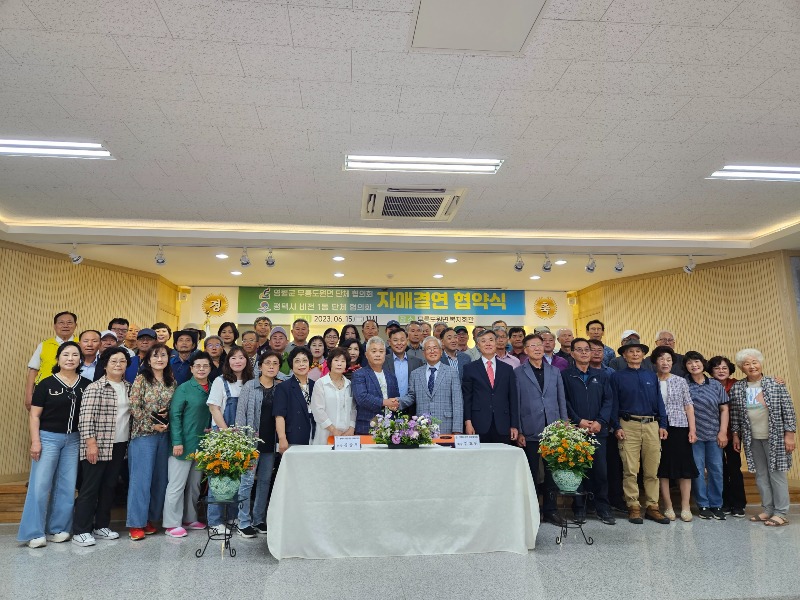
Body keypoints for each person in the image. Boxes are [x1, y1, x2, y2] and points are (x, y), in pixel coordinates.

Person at [18, 341, 88, 548]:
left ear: (80, 359)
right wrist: (35, 442)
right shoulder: (46, 384)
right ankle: (34, 532)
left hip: (74, 440)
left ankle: (58, 528)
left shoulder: (85, 384)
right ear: (58, 359)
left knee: (66, 486)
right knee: (40, 486)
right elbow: (34, 416)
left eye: (75, 355)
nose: (70, 358)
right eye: (65, 354)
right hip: (47, 439)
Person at [72, 347, 132, 546]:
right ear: (105, 365)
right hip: (97, 445)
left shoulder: (128, 387)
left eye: (122, 361)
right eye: (113, 361)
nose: (118, 365)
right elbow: (85, 419)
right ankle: (81, 530)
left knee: (109, 486)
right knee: (90, 487)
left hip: (120, 444)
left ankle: (101, 526)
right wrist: (91, 444)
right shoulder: (95, 387)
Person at [730, 349, 796, 527]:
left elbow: (788, 410)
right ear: (741, 368)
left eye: (754, 362)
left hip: (775, 437)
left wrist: (789, 435)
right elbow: (735, 415)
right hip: (752, 438)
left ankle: (781, 512)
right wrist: (736, 435)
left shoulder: (775, 384)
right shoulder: (738, 388)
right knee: (761, 475)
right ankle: (768, 509)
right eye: (746, 364)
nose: (752, 366)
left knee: (777, 474)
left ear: (760, 363)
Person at [609, 339, 670, 525]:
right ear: (624, 355)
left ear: (643, 355)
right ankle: (633, 506)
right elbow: (613, 403)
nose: (635, 354)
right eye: (631, 351)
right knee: (630, 469)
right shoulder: (617, 376)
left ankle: (653, 507)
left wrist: (663, 424)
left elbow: (659, 401)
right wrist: (616, 426)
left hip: (652, 425)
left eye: (638, 351)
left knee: (652, 470)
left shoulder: (651, 375)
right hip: (628, 425)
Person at [561, 337, 615, 525]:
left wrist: (600, 421)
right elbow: (564, 401)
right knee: (578, 470)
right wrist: (578, 421)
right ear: (572, 353)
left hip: (598, 430)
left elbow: (609, 400)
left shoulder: (602, 376)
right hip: (576, 430)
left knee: (600, 471)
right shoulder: (565, 376)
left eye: (587, 349)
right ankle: (579, 508)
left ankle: (602, 507)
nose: (584, 353)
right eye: (580, 350)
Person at [126, 343, 176, 540]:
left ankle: (149, 519)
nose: (159, 359)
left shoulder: (172, 382)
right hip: (144, 435)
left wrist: (168, 417)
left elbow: (176, 407)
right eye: (155, 356)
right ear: (148, 360)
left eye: (163, 355)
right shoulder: (141, 379)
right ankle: (135, 523)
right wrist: (151, 425)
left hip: (165, 436)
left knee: (159, 480)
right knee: (141, 480)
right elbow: (134, 407)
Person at [514, 333, 565, 525]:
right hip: (530, 429)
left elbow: (561, 399)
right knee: (532, 473)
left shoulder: (555, 372)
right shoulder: (518, 372)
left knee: (552, 473)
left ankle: (551, 510)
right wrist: (519, 430)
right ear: (525, 350)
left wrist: (564, 425)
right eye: (532, 346)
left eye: (540, 345)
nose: (537, 348)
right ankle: (533, 510)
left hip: (553, 428)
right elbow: (516, 403)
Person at [205, 347, 255, 535]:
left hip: (244, 437)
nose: (237, 361)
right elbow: (214, 408)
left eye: (241, 357)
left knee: (239, 479)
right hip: (223, 435)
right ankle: (215, 521)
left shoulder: (251, 382)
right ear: (228, 361)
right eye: (233, 358)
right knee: (219, 479)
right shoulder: (221, 381)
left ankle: (234, 516)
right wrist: (227, 433)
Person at [162, 352, 212, 538]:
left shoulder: (212, 387)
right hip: (183, 443)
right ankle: (171, 523)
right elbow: (174, 416)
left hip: (202, 444)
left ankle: (190, 518)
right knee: (176, 484)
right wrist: (177, 441)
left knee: (194, 485)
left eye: (205, 366)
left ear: (210, 368)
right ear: (191, 368)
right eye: (197, 366)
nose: (201, 369)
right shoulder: (184, 388)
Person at [235, 351, 283, 537]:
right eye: (267, 363)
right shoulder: (249, 386)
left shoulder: (281, 387)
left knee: (264, 481)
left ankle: (259, 519)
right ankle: (243, 521)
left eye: (275, 363)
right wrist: (241, 440)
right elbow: (240, 414)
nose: (271, 366)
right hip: (250, 441)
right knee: (246, 482)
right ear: (260, 366)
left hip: (271, 442)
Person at [652, 346, 697, 523]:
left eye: (669, 359)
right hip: (656, 428)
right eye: (662, 359)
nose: (665, 362)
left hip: (679, 427)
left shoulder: (680, 381)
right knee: (662, 468)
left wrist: (692, 430)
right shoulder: (650, 380)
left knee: (684, 468)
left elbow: (688, 405)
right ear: (655, 362)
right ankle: (668, 506)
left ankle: (685, 507)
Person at [684, 351, 729, 520]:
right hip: (693, 436)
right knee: (697, 470)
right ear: (686, 367)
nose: (694, 365)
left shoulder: (715, 385)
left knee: (716, 469)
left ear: (703, 364)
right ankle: (702, 505)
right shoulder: (684, 384)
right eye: (689, 363)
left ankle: (716, 504)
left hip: (714, 434)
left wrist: (723, 431)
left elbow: (724, 409)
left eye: (697, 362)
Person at [462, 329, 519, 444]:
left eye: (491, 340)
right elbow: (467, 398)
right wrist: (468, 422)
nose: (488, 343)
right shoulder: (470, 368)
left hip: (503, 424)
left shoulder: (507, 369)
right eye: (483, 341)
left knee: (502, 460)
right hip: (478, 423)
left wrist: (514, 425)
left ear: (496, 343)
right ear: (478, 345)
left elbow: (513, 398)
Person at [708, 355, 747, 517]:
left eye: (724, 368)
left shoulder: (737, 385)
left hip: (734, 433)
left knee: (734, 468)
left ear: (729, 370)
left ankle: (738, 504)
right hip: (712, 433)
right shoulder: (707, 385)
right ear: (711, 371)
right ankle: (723, 502)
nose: (721, 371)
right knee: (718, 468)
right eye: (717, 368)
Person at [400, 337, 463, 433]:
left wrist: (457, 430)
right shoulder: (415, 374)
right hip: (422, 427)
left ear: (441, 351)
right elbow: (411, 397)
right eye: (428, 348)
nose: (432, 351)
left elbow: (457, 402)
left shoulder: (452, 372)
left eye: (435, 348)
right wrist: (396, 402)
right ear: (423, 353)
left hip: (445, 425)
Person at [25, 311, 78, 411]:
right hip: (45, 390)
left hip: (73, 390)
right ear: (55, 326)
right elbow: (33, 371)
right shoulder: (44, 345)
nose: (65, 325)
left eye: (69, 322)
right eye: (61, 322)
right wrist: (29, 395)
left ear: (76, 325)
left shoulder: (81, 344)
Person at [352, 337, 400, 434]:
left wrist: (394, 404)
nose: (378, 354)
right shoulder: (359, 374)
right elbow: (362, 398)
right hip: (367, 426)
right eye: (374, 351)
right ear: (366, 355)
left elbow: (395, 397)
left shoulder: (391, 376)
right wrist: (385, 402)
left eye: (381, 351)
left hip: (390, 427)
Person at [274, 347, 317, 451]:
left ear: (310, 363)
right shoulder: (283, 387)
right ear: (291, 365)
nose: (301, 364)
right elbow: (279, 415)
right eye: (297, 361)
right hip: (293, 437)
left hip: (314, 436)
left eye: (305, 361)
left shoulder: (315, 385)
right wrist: (282, 438)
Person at [311, 347, 356, 443]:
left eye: (343, 361)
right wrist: (333, 430)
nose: (339, 364)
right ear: (330, 363)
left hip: (346, 435)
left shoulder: (349, 384)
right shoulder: (321, 383)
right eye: (336, 360)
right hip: (325, 434)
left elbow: (353, 409)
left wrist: (351, 428)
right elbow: (318, 410)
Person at [382, 328, 423, 413]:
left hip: (412, 409)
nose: (399, 343)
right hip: (388, 408)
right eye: (395, 340)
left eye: (402, 340)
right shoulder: (383, 361)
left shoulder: (417, 362)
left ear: (407, 341)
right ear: (389, 342)